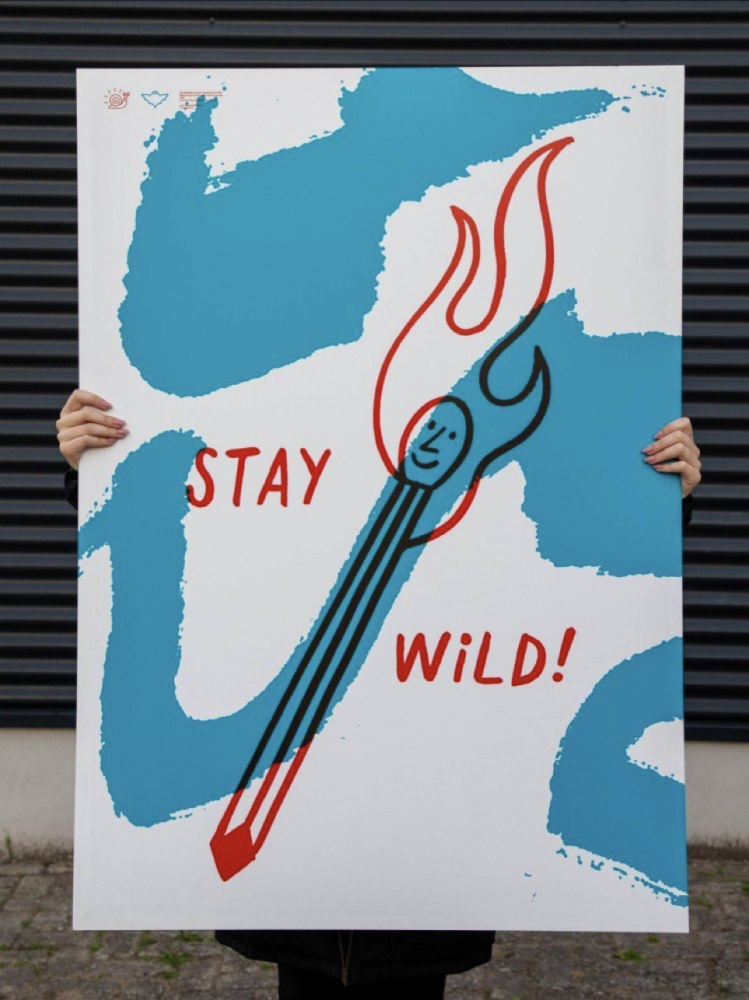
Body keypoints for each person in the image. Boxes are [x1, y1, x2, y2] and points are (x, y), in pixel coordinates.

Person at [57, 388, 701, 998]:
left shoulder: (494, 496)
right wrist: (97, 469)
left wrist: (658, 494)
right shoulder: (304, 434)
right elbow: (199, 525)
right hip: (292, 866)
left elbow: (584, 558)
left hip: (420, 841)